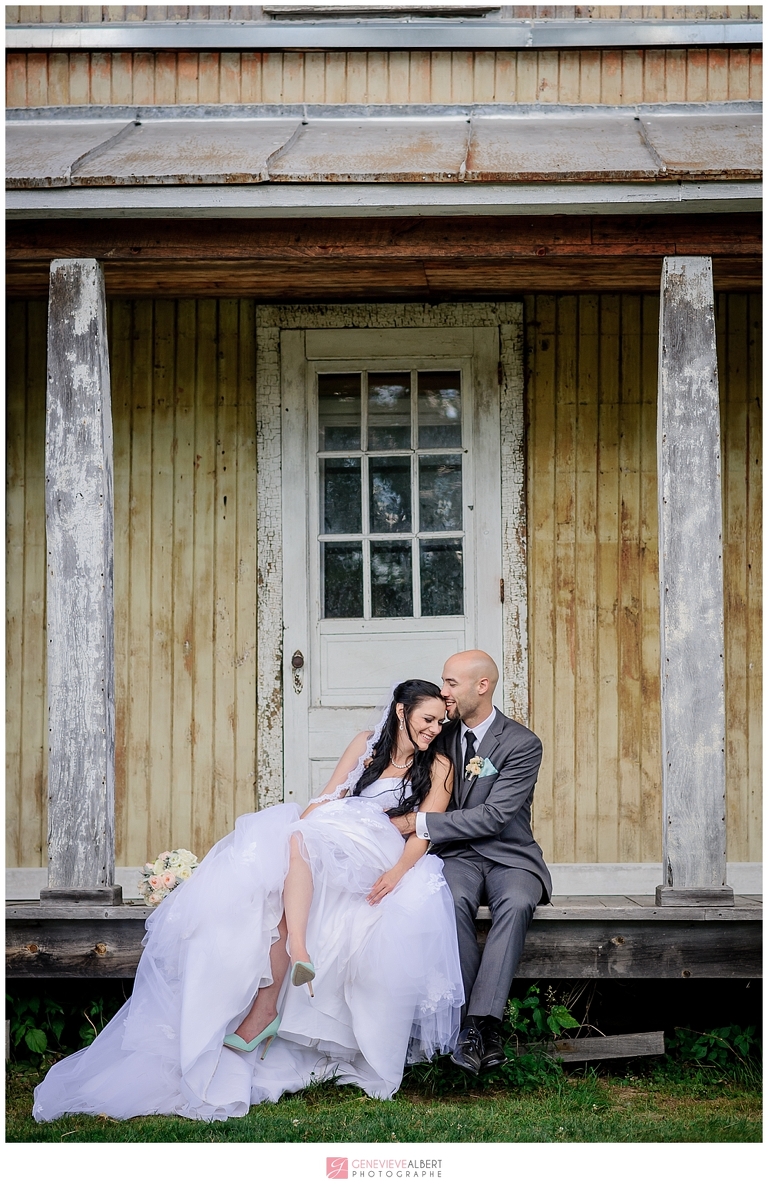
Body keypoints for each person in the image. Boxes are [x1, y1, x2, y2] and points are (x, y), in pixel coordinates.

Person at [33, 681, 464, 1123]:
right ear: (400, 711)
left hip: (379, 850)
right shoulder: (366, 745)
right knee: (287, 847)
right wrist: (301, 827)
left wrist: (395, 874)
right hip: (335, 833)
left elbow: (425, 830)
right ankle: (277, 977)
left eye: (439, 722)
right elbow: (330, 796)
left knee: (300, 843)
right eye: (426, 719)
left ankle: (292, 960)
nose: (433, 729)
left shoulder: (440, 766)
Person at [389, 651, 551, 1077]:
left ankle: (481, 1024)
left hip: (510, 856)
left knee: (515, 904)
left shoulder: (521, 743)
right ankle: (475, 1029)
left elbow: (495, 816)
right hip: (458, 856)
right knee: (450, 899)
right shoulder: (439, 736)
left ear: (482, 686)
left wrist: (417, 823)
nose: (443, 693)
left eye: (451, 684)